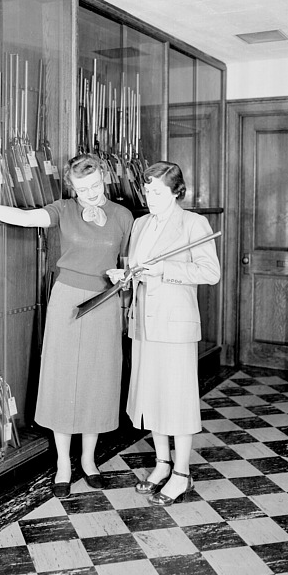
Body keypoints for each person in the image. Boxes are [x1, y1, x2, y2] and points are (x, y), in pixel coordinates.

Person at [0, 153, 133, 498]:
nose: (90, 193)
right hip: (68, 300)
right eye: (82, 189)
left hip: (104, 302)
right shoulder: (63, 210)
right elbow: (24, 218)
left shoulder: (123, 216)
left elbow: (129, 263)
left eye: (95, 185)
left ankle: (88, 460)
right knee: (62, 379)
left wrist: (125, 277)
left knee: (97, 380)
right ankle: (64, 465)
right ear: (72, 187)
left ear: (105, 178)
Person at [107, 161, 220, 505]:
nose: (149, 196)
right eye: (147, 190)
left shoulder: (194, 223)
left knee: (178, 400)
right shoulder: (141, 223)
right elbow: (137, 269)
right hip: (144, 323)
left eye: (157, 191)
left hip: (175, 325)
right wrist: (125, 277)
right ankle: (162, 463)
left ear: (176, 192)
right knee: (152, 396)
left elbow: (209, 272)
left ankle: (182, 473)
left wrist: (163, 270)